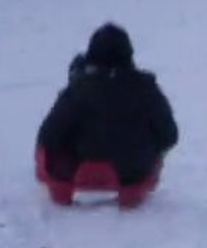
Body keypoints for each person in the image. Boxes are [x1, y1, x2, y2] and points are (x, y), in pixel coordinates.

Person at [36, 22, 178, 208]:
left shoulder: (78, 89)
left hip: (79, 171)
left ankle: (64, 186)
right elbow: (170, 135)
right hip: (134, 175)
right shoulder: (146, 89)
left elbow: (48, 136)